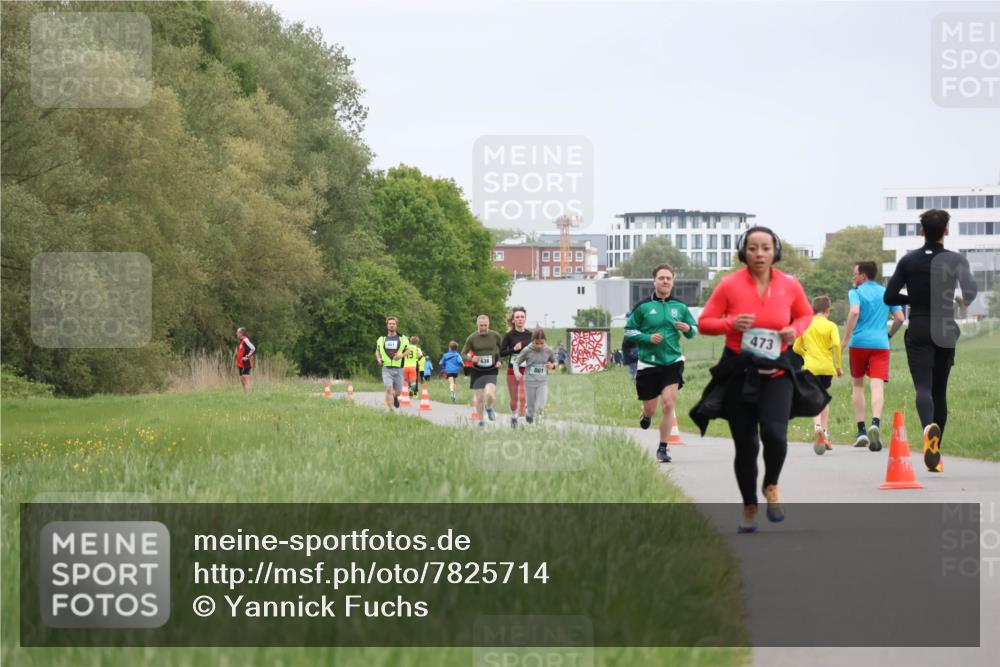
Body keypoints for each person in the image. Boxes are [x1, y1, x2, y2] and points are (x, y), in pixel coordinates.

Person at [693, 226, 822, 533]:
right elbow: (704, 323)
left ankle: (771, 485)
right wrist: (730, 323)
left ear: (774, 251)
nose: (759, 254)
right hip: (740, 372)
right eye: (753, 248)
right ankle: (749, 505)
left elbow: (805, 315)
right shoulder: (729, 285)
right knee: (746, 445)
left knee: (776, 435)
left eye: (765, 248)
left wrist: (796, 330)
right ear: (743, 252)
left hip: (777, 372)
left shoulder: (790, 285)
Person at [885, 208, 978, 473]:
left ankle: (928, 429)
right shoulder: (956, 260)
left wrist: (913, 299)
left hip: (920, 327)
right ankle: (934, 451)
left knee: (923, 388)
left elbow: (890, 297)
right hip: (945, 327)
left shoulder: (908, 261)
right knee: (940, 391)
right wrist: (961, 300)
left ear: (921, 231)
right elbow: (970, 291)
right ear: (946, 231)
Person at [624, 263, 698, 464]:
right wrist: (647, 338)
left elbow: (693, 330)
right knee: (651, 409)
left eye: (669, 278)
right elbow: (629, 331)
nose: (665, 281)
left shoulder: (680, 307)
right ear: (654, 281)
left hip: (672, 362)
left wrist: (688, 328)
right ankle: (645, 414)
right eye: (661, 278)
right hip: (648, 363)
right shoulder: (643, 307)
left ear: (673, 282)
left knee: (668, 403)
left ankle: (663, 448)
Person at [840, 261, 904, 451]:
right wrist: (889, 334)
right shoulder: (887, 292)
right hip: (881, 344)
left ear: (863, 276)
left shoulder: (855, 292)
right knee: (876, 385)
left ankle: (861, 432)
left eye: (855, 274)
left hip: (859, 344)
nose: (854, 278)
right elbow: (900, 318)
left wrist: (845, 339)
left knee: (858, 385)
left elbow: (854, 311)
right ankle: (875, 423)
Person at [792, 295, 843, 454]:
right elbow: (835, 344)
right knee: (824, 397)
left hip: (810, 367)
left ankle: (817, 428)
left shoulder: (806, 325)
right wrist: (838, 366)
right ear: (828, 310)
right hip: (827, 368)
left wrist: (806, 353)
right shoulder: (831, 326)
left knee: (814, 398)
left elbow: (795, 347)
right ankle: (825, 433)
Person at [461, 315, 503, 427]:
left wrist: (500, 361)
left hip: (491, 369)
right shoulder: (472, 338)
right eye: (481, 325)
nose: (483, 328)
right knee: (479, 399)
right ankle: (481, 421)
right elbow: (463, 354)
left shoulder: (495, 336)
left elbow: (503, 350)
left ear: (488, 324)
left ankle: (489, 407)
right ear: (477, 325)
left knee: (490, 393)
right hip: (477, 370)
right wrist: (471, 358)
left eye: (485, 325)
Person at [513, 328, 557, 424]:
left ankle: (539, 427)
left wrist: (553, 366)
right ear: (532, 341)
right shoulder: (527, 350)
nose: (539, 346)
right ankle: (528, 414)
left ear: (545, 341)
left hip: (542, 382)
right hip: (529, 382)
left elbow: (555, 361)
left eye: (541, 343)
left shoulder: (548, 350)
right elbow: (516, 362)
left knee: (540, 407)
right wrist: (517, 373)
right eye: (536, 343)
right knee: (531, 410)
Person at [500, 306, 532, 428]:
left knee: (523, 396)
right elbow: (501, 353)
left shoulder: (530, 335)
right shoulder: (509, 336)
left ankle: (522, 419)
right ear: (513, 320)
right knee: (514, 399)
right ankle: (514, 417)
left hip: (526, 369)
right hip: (512, 369)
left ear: (525, 319)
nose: (520, 319)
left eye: (522, 317)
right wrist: (514, 349)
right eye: (517, 317)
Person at [374, 316, 410, 409]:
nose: (391, 325)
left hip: (399, 369)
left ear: (396, 325)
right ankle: (390, 410)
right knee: (388, 389)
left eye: (393, 324)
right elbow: (377, 351)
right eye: (390, 324)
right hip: (386, 369)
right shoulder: (381, 339)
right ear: (387, 325)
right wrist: (378, 359)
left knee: (398, 392)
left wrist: (400, 356)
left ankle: (395, 397)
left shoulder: (403, 338)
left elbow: (408, 351)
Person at [235, 327, 256, 393]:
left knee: (245, 379)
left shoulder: (245, 340)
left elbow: (253, 348)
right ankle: (245, 394)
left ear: (241, 333)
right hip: (240, 364)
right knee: (242, 380)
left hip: (246, 363)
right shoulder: (241, 341)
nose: (236, 334)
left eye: (237, 332)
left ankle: (249, 395)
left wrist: (247, 357)